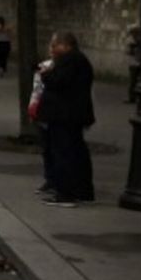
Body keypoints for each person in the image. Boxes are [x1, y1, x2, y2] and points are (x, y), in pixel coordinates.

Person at [37, 32, 96, 207]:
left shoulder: (70, 60)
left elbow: (58, 82)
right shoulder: (77, 60)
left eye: (55, 45)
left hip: (64, 115)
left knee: (63, 152)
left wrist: (46, 74)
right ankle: (81, 190)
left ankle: (65, 193)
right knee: (76, 151)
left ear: (66, 45)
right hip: (71, 114)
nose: (52, 49)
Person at [126, 25, 141, 104]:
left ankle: (136, 97)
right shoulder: (131, 41)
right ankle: (132, 97)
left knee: (137, 81)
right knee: (133, 81)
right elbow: (129, 51)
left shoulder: (140, 40)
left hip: (138, 63)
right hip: (134, 63)